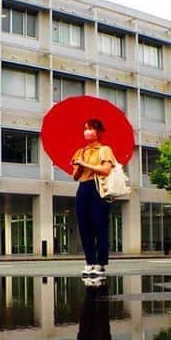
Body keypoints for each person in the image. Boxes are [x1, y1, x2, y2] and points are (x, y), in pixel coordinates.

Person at [71, 118, 115, 277]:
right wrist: (78, 166)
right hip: (83, 188)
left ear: (98, 132)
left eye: (90, 128)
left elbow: (106, 170)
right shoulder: (80, 152)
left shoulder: (104, 150)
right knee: (84, 226)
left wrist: (86, 165)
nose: (87, 132)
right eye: (85, 129)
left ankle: (101, 263)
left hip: (98, 188)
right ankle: (90, 261)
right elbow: (75, 176)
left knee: (100, 226)